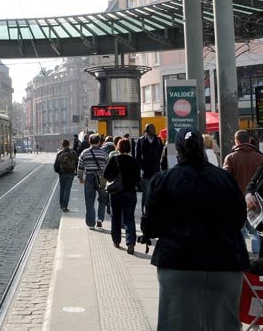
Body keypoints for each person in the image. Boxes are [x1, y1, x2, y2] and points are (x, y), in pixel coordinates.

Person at [141, 128, 248, 329]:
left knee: (175, 323)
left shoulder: (163, 180)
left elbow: (151, 227)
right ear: (203, 147)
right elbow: (240, 219)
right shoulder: (224, 179)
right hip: (225, 263)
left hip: (177, 263)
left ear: (177, 150)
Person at [223, 129, 263, 256]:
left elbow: (225, 180)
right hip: (256, 201)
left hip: (236, 201)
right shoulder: (260, 157)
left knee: (238, 231)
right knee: (256, 230)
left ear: (236, 141)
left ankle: (242, 255)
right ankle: (257, 257)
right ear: (249, 140)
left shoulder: (231, 158)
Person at [103, 138, 140, 253]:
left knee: (116, 217)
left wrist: (113, 178)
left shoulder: (114, 159)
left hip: (116, 193)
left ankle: (117, 241)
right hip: (130, 192)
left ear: (118, 147)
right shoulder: (133, 161)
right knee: (129, 218)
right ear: (129, 148)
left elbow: (105, 174)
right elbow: (138, 178)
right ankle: (131, 242)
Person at [77, 133, 108, 229]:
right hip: (101, 178)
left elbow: (80, 167)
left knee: (89, 201)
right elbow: (109, 167)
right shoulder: (104, 153)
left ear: (89, 142)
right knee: (102, 199)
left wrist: (81, 178)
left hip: (89, 177)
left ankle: (91, 223)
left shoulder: (84, 153)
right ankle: (99, 219)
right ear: (99, 142)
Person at [54, 139, 78, 212]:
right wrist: (75, 171)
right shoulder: (73, 152)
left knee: (62, 188)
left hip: (62, 173)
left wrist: (58, 171)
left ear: (62, 145)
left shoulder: (60, 153)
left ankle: (61, 204)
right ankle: (65, 206)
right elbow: (77, 162)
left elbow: (56, 164)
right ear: (69, 144)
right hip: (71, 173)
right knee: (67, 189)